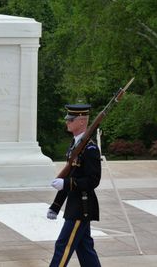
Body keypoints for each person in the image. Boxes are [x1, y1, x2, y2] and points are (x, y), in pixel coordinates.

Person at [47, 104, 102, 267]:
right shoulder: (76, 145)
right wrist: (55, 206)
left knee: (63, 246)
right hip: (76, 205)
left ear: (82, 122)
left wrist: (66, 183)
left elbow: (93, 181)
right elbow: (68, 174)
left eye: (71, 120)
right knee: (85, 249)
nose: (67, 123)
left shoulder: (90, 148)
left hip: (82, 206)